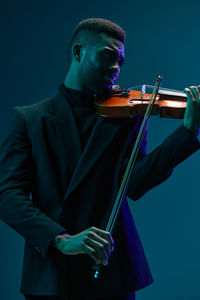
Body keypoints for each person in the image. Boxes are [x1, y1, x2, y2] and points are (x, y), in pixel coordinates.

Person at [0, 18, 200, 300]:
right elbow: (7, 195)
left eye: (120, 61)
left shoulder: (127, 116)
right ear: (78, 52)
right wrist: (61, 239)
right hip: (53, 271)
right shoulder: (30, 118)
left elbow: (135, 183)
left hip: (112, 265)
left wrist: (187, 133)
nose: (116, 69)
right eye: (108, 56)